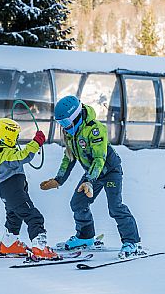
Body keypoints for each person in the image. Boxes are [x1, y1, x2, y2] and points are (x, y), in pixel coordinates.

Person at [40, 95, 141, 257]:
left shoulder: (95, 129)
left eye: (65, 123)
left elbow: (99, 158)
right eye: (60, 124)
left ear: (76, 116)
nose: (64, 127)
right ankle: (85, 237)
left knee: (115, 207)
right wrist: (58, 180)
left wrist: (88, 181)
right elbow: (69, 158)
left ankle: (131, 242)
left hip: (109, 171)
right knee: (77, 203)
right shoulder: (71, 133)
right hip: (92, 174)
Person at [0, 117, 58, 259]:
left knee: (14, 217)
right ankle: (40, 248)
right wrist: (36, 142)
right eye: (16, 136)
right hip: (16, 192)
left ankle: (9, 244)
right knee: (34, 217)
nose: (17, 139)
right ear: (8, 136)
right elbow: (24, 156)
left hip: (8, 194)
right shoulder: (7, 155)